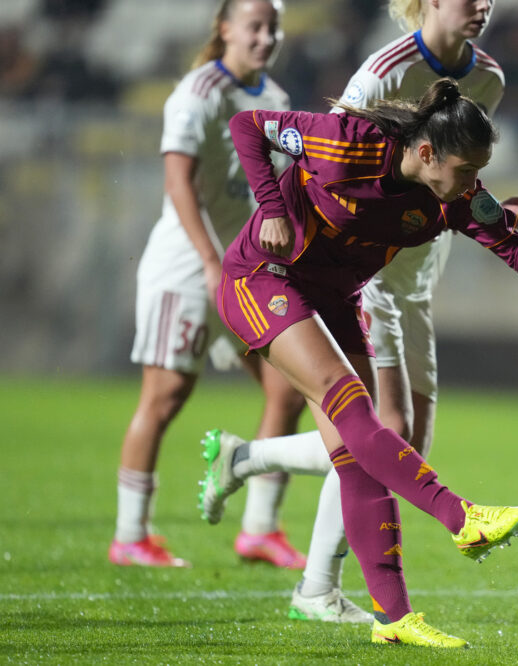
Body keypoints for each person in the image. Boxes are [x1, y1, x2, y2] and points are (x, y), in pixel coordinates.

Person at [197, 0, 518, 623]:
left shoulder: (445, 189)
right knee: (360, 414)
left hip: (336, 292)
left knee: (361, 451)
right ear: (430, 154)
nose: (472, 187)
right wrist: (271, 207)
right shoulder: (350, 140)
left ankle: (393, 619)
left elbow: (493, 225)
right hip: (265, 276)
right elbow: (251, 127)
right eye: (466, 173)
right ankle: (461, 516)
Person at [109, 0, 308, 569]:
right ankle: (130, 534)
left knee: (287, 390)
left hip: (243, 268)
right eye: (255, 26)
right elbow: (179, 184)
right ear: (225, 29)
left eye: (274, 26)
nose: (266, 37)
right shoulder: (198, 92)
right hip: (188, 267)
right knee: (166, 396)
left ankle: (260, 529)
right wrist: (208, 259)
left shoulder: (273, 99)